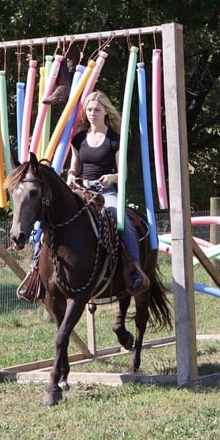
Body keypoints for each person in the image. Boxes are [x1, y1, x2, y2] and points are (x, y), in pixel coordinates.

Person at [67, 91, 150, 296]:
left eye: (97, 110)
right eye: (89, 110)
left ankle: (134, 269)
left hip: (104, 191)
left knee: (121, 220)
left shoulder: (114, 140)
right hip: (81, 189)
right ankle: (36, 267)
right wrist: (70, 175)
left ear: (106, 111)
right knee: (56, 213)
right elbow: (74, 167)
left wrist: (111, 178)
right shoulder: (79, 139)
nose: (92, 113)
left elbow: (123, 174)